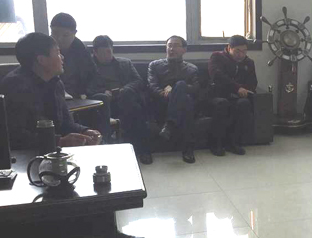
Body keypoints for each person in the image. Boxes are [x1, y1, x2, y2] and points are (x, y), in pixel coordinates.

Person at [0, 32, 146, 238]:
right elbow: (15, 136)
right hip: (22, 160)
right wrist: (61, 141)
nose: (62, 57)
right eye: (57, 53)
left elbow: (65, 123)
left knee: (98, 170)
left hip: (54, 153)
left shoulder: (55, 83)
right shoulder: (15, 87)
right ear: (41, 60)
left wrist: (85, 131)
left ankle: (105, 235)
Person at [49, 12, 112, 141]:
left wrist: (85, 93)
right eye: (55, 33)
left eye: (65, 35)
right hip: (58, 94)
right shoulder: (47, 47)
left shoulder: (80, 48)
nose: (59, 39)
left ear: (74, 33)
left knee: (102, 98)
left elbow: (93, 75)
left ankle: (102, 140)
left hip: (80, 94)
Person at [91, 35, 153, 165]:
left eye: (109, 51)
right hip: (104, 103)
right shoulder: (89, 66)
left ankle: (143, 150)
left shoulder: (125, 63)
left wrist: (125, 89)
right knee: (128, 108)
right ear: (95, 53)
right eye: (103, 53)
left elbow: (138, 81)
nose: (107, 55)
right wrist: (103, 92)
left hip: (126, 99)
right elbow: (86, 87)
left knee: (134, 107)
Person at [148, 36, 200, 164]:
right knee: (185, 100)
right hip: (161, 103)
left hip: (184, 104)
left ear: (184, 50)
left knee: (183, 90)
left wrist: (177, 90)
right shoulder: (155, 65)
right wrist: (163, 93)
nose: (171, 49)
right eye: (169, 45)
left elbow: (196, 88)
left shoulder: (191, 68)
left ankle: (170, 125)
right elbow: (152, 85)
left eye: (176, 45)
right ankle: (187, 149)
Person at [207, 35, 258, 156]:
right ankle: (216, 144)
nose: (241, 55)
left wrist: (245, 90)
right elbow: (217, 76)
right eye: (237, 51)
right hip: (216, 95)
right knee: (222, 103)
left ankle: (233, 142)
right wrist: (237, 88)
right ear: (229, 48)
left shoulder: (249, 62)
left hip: (237, 97)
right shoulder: (217, 57)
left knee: (244, 104)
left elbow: (253, 82)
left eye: (244, 51)